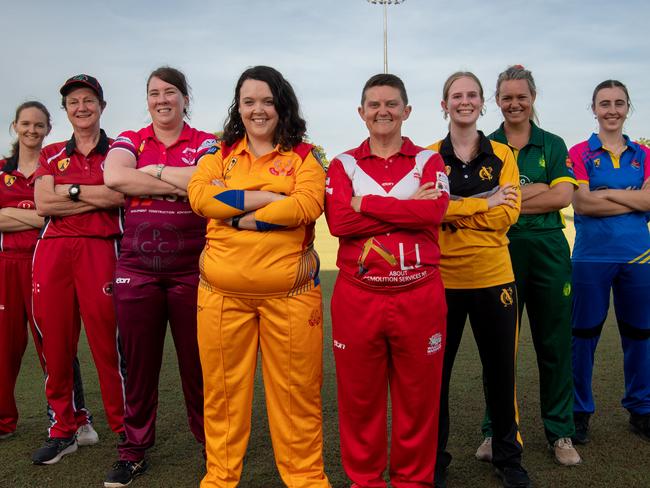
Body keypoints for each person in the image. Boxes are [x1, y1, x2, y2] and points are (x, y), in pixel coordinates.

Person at [188, 65, 330, 488]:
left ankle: (305, 479)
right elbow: (199, 198)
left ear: (281, 104)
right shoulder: (218, 153)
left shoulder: (306, 155)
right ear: (239, 107)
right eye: (249, 101)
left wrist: (240, 218)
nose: (258, 110)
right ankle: (220, 478)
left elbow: (304, 206)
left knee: (297, 395)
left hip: (290, 295)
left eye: (267, 100)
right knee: (222, 396)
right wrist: (269, 196)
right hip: (220, 295)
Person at [325, 73, 449, 487]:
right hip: (359, 296)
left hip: (419, 294)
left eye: (392, 104)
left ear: (407, 111)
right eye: (374, 104)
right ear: (361, 113)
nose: (383, 111)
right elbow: (340, 221)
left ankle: (413, 481)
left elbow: (433, 214)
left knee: (419, 400)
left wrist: (367, 203)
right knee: (360, 400)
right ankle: (366, 481)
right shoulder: (342, 163)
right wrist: (405, 205)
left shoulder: (429, 161)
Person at [102, 66, 215, 487]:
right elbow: (113, 177)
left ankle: (212, 447)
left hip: (193, 268)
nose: (162, 99)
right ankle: (133, 451)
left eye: (170, 92)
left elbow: (208, 184)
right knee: (139, 366)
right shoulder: (130, 139)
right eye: (154, 93)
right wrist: (180, 185)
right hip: (136, 268)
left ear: (186, 98)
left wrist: (151, 176)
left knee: (199, 365)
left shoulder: (206, 142)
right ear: (146, 99)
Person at [473, 65, 581, 466]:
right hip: (499, 248)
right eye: (506, 97)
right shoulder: (486, 145)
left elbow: (562, 197)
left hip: (549, 249)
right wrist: (537, 189)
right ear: (496, 102)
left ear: (532, 98)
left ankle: (561, 433)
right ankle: (494, 430)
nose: (514, 103)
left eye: (521, 96)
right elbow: (482, 200)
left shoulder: (552, 143)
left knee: (553, 345)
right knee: (500, 348)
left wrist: (511, 196)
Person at [428, 72, 530, 488]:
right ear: (444, 104)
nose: (464, 101)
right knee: (436, 376)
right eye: (457, 95)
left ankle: (508, 457)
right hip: (442, 280)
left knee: (500, 373)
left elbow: (508, 213)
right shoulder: (430, 156)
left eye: (471, 95)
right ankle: (434, 461)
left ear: (482, 102)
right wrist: (481, 203)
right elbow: (430, 211)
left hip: (494, 278)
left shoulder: (503, 153)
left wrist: (457, 206)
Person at [31, 75, 125, 465]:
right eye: (73, 102)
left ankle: (126, 430)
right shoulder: (52, 152)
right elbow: (43, 205)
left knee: (109, 344)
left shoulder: (120, 149)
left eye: (88, 100)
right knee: (55, 346)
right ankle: (64, 429)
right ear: (66, 110)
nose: (81, 107)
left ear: (101, 106)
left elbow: (118, 194)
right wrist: (89, 195)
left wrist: (66, 192)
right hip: (52, 252)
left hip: (101, 250)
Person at [0, 102, 96, 444]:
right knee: (5, 346)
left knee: (55, 344)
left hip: (48, 259)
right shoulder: (1, 170)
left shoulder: (54, 166)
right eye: (25, 123)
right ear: (15, 126)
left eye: (39, 125)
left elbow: (53, 213)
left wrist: (14, 211)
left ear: (47, 128)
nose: (31, 130)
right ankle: (4, 420)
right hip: (8, 264)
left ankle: (76, 419)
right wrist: (41, 211)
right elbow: (42, 212)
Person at [569, 80, 650, 444]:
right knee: (583, 335)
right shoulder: (579, 152)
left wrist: (607, 193)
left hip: (639, 256)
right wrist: (632, 196)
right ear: (594, 108)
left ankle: (641, 409)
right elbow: (583, 204)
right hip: (590, 256)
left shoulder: (645, 155)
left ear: (628, 107)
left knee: (640, 334)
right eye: (605, 103)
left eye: (619, 103)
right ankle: (579, 411)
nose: (612, 109)